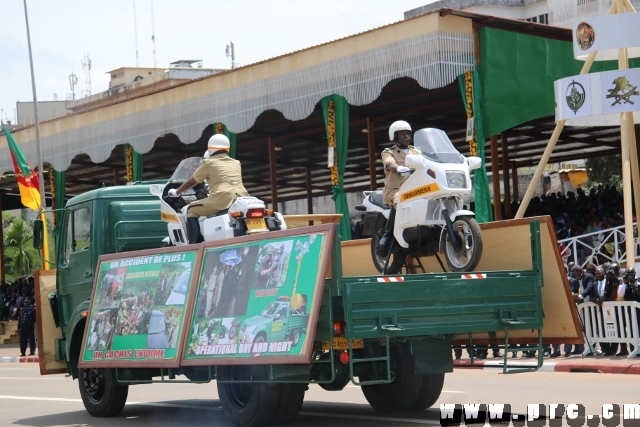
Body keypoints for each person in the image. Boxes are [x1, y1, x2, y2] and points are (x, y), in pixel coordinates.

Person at [168, 134, 249, 244]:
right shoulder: (236, 163)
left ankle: (194, 245)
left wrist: (177, 192)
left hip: (221, 198)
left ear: (210, 148)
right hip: (241, 196)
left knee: (191, 210)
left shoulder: (209, 163)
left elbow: (191, 181)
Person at [376, 120, 421, 256]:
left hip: (415, 190)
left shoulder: (416, 151)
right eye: (403, 134)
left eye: (408, 134)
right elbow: (389, 164)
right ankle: (387, 237)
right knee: (401, 202)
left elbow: (428, 163)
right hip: (396, 190)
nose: (407, 136)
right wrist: (398, 167)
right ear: (395, 137)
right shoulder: (388, 152)